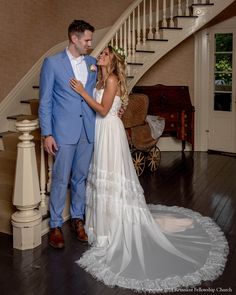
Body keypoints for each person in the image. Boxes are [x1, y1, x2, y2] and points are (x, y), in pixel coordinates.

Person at [69, 46, 228, 293]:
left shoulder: (110, 79)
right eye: (99, 54)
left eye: (104, 54)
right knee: (101, 179)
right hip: (101, 130)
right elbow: (110, 108)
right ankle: (103, 228)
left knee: (113, 178)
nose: (99, 55)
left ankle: (113, 230)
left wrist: (82, 92)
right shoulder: (100, 78)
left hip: (108, 132)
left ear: (111, 60)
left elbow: (102, 109)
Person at [38, 20, 97, 249]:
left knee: (80, 178)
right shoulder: (52, 63)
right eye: (87, 40)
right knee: (61, 179)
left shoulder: (92, 63)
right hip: (63, 132)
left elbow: (96, 94)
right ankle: (55, 225)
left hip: (87, 130)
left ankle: (77, 219)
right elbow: (45, 102)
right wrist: (47, 134)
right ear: (74, 38)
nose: (90, 44)